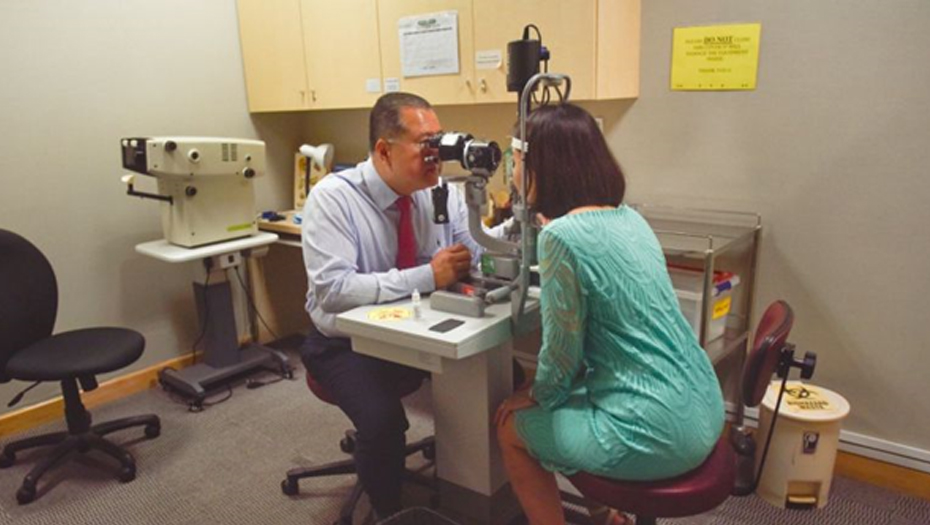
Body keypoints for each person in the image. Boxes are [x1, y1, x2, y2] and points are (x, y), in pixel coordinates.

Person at [494, 104, 725, 525]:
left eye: (516, 159)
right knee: (572, 398)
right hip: (704, 409)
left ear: (537, 165)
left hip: (658, 433)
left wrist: (534, 395)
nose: (511, 170)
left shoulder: (560, 237)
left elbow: (562, 354)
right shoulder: (631, 218)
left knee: (513, 429)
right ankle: (606, 517)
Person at [299, 92, 496, 519]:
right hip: (344, 344)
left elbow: (473, 255)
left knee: (496, 381)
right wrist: (428, 276)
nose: (436, 155)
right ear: (384, 150)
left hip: (417, 331)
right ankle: (389, 512)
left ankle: (472, 488)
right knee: (384, 423)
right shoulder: (333, 199)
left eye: (439, 141)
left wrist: (496, 226)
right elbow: (333, 290)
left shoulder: (438, 190)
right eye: (426, 144)